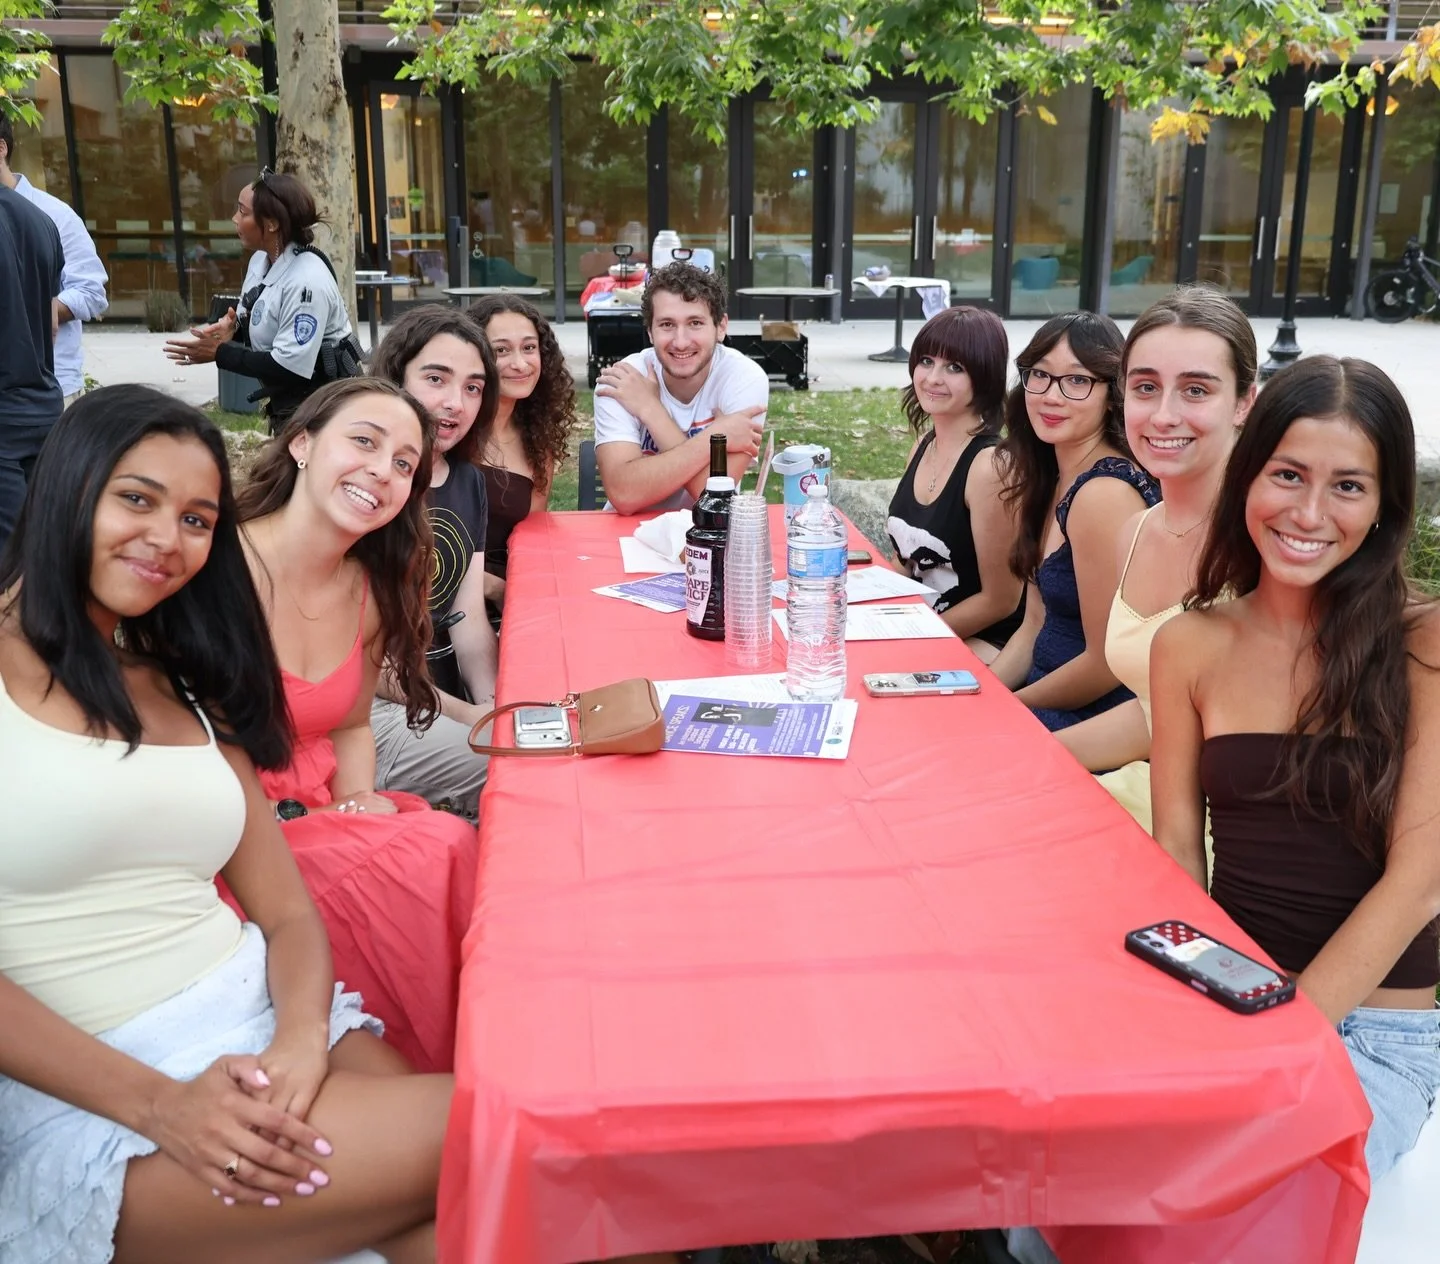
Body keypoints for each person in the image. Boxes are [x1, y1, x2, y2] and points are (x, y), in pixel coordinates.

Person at [0, 386, 450, 1264]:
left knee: (478, 1229)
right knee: (530, 1140)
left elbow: (285, 916)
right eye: (137, 498)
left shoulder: (178, 681)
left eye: (199, 519)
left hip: (271, 1024)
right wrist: (158, 1105)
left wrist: (298, 1042)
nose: (168, 540)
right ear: (67, 486)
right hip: (103, 1089)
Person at [1150, 355, 1440, 1182]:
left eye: (1349, 485)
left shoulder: (1424, 644)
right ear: (1249, 476)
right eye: (1287, 474)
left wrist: (1281, 1035)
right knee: (1089, 1177)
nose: (1310, 513)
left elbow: (1420, 881)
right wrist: (1201, 1009)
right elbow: (1178, 847)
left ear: (1384, 506)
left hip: (1369, 1036)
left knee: (1224, 1196)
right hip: (1228, 996)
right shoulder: (1191, 643)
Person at [234, 378, 479, 1074]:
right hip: (232, 833)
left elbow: (347, 726)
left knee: (447, 849)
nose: (382, 470)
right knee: (429, 854)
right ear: (303, 443)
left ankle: (456, 1070)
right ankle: (441, 1085)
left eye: (404, 463)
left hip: (318, 807)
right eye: (364, 442)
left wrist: (358, 800)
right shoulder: (219, 567)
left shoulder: (369, 586)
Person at [1055, 288, 1257, 828]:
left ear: (1244, 401)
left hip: (1234, 836)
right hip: (1142, 789)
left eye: (1195, 390)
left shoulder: (1266, 542)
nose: (1164, 415)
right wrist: (1030, 750)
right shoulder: (1134, 531)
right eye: (1146, 387)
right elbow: (1156, 713)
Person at [988, 312, 1160, 730]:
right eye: (1040, 375)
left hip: (1085, 719)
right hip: (1040, 694)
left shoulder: (1104, 494)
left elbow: (1105, 664)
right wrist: (982, 692)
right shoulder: (1051, 473)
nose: (1051, 395)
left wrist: (1000, 710)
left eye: (1077, 381)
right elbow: (1033, 626)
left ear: (1112, 393)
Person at [370, 305, 499, 817]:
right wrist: (472, 716)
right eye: (435, 379)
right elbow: (368, 665)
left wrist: (494, 704)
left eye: (472, 387)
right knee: (516, 769)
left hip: (433, 696)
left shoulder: (467, 481)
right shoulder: (372, 484)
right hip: (369, 710)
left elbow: (467, 620)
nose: (455, 403)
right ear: (395, 376)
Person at [165, 170, 362, 433]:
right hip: (291, 405)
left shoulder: (306, 281)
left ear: (271, 224)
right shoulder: (261, 261)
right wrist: (233, 329)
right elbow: (262, 316)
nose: (235, 219)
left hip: (329, 409)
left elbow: (289, 367)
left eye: (243, 212)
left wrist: (220, 353)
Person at [885, 306, 1023, 662]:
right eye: (926, 361)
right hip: (921, 624)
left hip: (983, 641)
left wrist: (918, 636)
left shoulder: (990, 467)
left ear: (985, 377)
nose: (933, 378)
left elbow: (1001, 600)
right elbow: (907, 562)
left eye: (955, 368)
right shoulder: (923, 446)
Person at [593, 261, 767, 515]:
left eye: (695, 323)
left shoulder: (743, 378)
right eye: (667, 325)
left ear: (721, 327)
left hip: (710, 535)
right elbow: (624, 494)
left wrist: (651, 411)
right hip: (626, 535)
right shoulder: (623, 380)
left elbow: (714, 501)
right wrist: (715, 435)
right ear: (650, 332)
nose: (681, 342)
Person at [468, 292, 578, 617]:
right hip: (443, 592)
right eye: (501, 350)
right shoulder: (451, 430)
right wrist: (494, 588)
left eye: (529, 348)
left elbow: (532, 537)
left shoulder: (536, 437)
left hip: (514, 596)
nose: (519, 363)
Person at [0, 114, 109, 407]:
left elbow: (92, 291)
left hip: (52, 388)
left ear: (1, 148)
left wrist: (45, 309)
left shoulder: (56, 215)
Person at [0, 181, 62, 555]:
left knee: (14, 566)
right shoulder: (40, 220)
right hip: (42, 405)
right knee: (46, 552)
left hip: (6, 415)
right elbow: (51, 322)